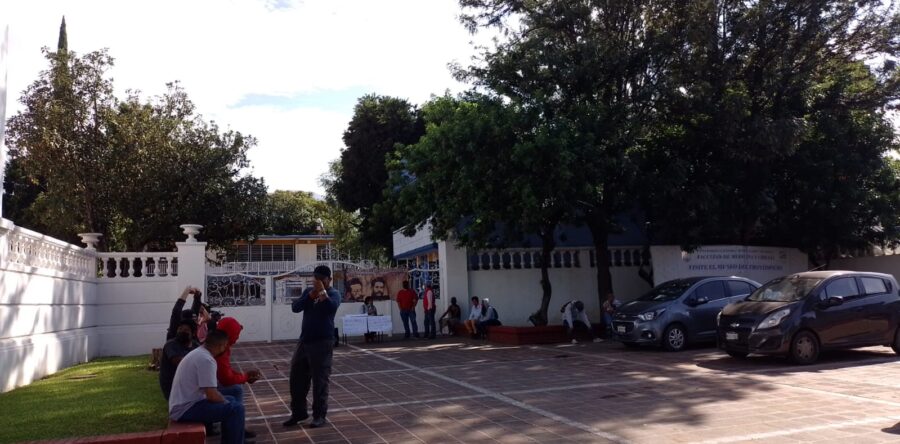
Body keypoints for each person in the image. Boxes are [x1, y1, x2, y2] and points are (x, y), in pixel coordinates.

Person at [283, 265, 341, 429]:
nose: (318, 282)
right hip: (304, 341)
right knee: (297, 378)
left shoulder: (333, 294)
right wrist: (311, 295)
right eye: (316, 279)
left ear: (329, 280)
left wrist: (322, 293)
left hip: (322, 342)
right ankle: (299, 412)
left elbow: (330, 308)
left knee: (320, 380)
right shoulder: (309, 291)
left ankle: (319, 415)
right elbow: (295, 308)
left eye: (321, 280)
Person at [169, 329, 247, 444]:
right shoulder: (207, 360)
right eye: (225, 346)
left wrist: (226, 401)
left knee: (232, 401)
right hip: (185, 409)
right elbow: (212, 395)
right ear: (221, 346)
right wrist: (225, 401)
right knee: (236, 409)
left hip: (185, 403)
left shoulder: (199, 352)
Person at [215, 317, 262, 439]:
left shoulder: (221, 346)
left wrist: (244, 376)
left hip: (203, 389)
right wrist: (245, 377)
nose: (237, 338)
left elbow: (226, 372)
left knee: (236, 389)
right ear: (229, 334)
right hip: (197, 396)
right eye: (236, 334)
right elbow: (226, 379)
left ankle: (237, 430)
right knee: (236, 391)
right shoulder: (220, 350)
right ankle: (237, 432)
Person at [159, 319, 199, 400]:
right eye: (180, 329)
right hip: (173, 385)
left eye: (186, 330)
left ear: (193, 333)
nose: (182, 332)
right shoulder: (171, 345)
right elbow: (181, 363)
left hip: (190, 383)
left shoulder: (196, 345)